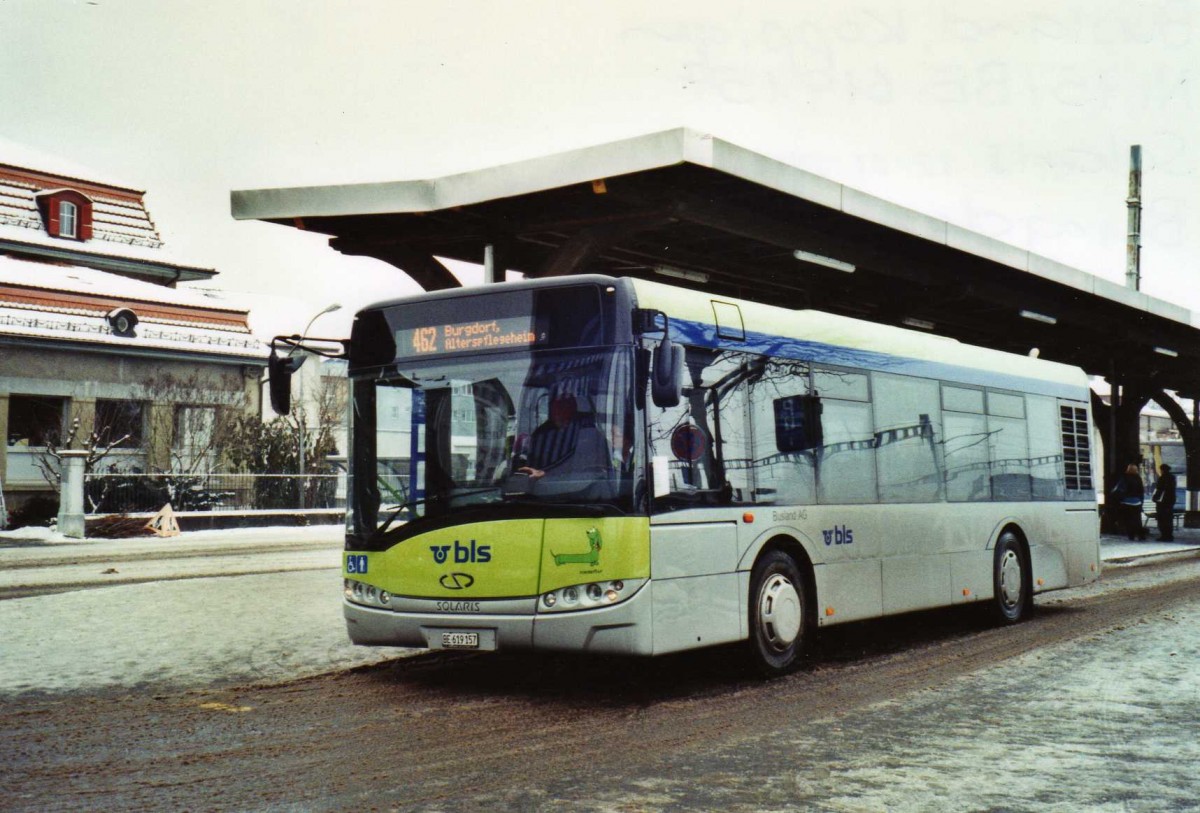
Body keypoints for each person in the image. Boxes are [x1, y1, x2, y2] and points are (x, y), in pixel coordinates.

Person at [1111, 463, 1147, 541]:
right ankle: (1141, 535)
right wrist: (1141, 501)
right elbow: (1141, 491)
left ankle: (1131, 535)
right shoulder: (1138, 478)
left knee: (1128, 520)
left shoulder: (1124, 477)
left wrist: (1119, 499)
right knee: (1137, 520)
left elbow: (1119, 490)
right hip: (1137, 502)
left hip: (1127, 502)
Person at [1152, 463, 1178, 541]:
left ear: (1162, 470)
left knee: (1162, 518)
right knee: (1169, 518)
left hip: (1162, 501)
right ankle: (1169, 535)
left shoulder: (1162, 478)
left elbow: (1159, 490)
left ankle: (1164, 535)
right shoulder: (1173, 478)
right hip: (1170, 501)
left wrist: (1155, 498)